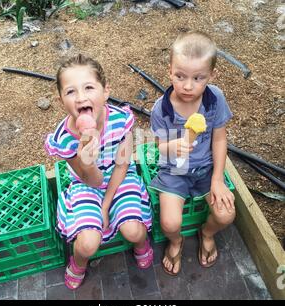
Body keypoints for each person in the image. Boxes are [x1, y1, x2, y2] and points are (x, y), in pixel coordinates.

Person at [45, 54, 153, 290]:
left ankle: (141, 244)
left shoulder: (121, 119)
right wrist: (86, 160)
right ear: (61, 99)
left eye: (89, 88)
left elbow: (123, 164)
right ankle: (78, 263)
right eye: (71, 91)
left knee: (134, 231)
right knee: (87, 244)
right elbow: (91, 180)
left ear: (105, 92)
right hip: (87, 184)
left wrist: (105, 207)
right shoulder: (65, 139)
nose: (81, 97)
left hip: (120, 178)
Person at [149, 31, 236, 276]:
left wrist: (218, 179)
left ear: (211, 76)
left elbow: (219, 138)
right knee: (169, 223)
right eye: (180, 76)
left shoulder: (215, 99)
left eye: (198, 78)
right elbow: (159, 147)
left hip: (206, 170)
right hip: (174, 170)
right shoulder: (162, 109)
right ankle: (176, 241)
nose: (188, 85)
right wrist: (172, 146)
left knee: (226, 214)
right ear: (170, 71)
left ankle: (206, 233)